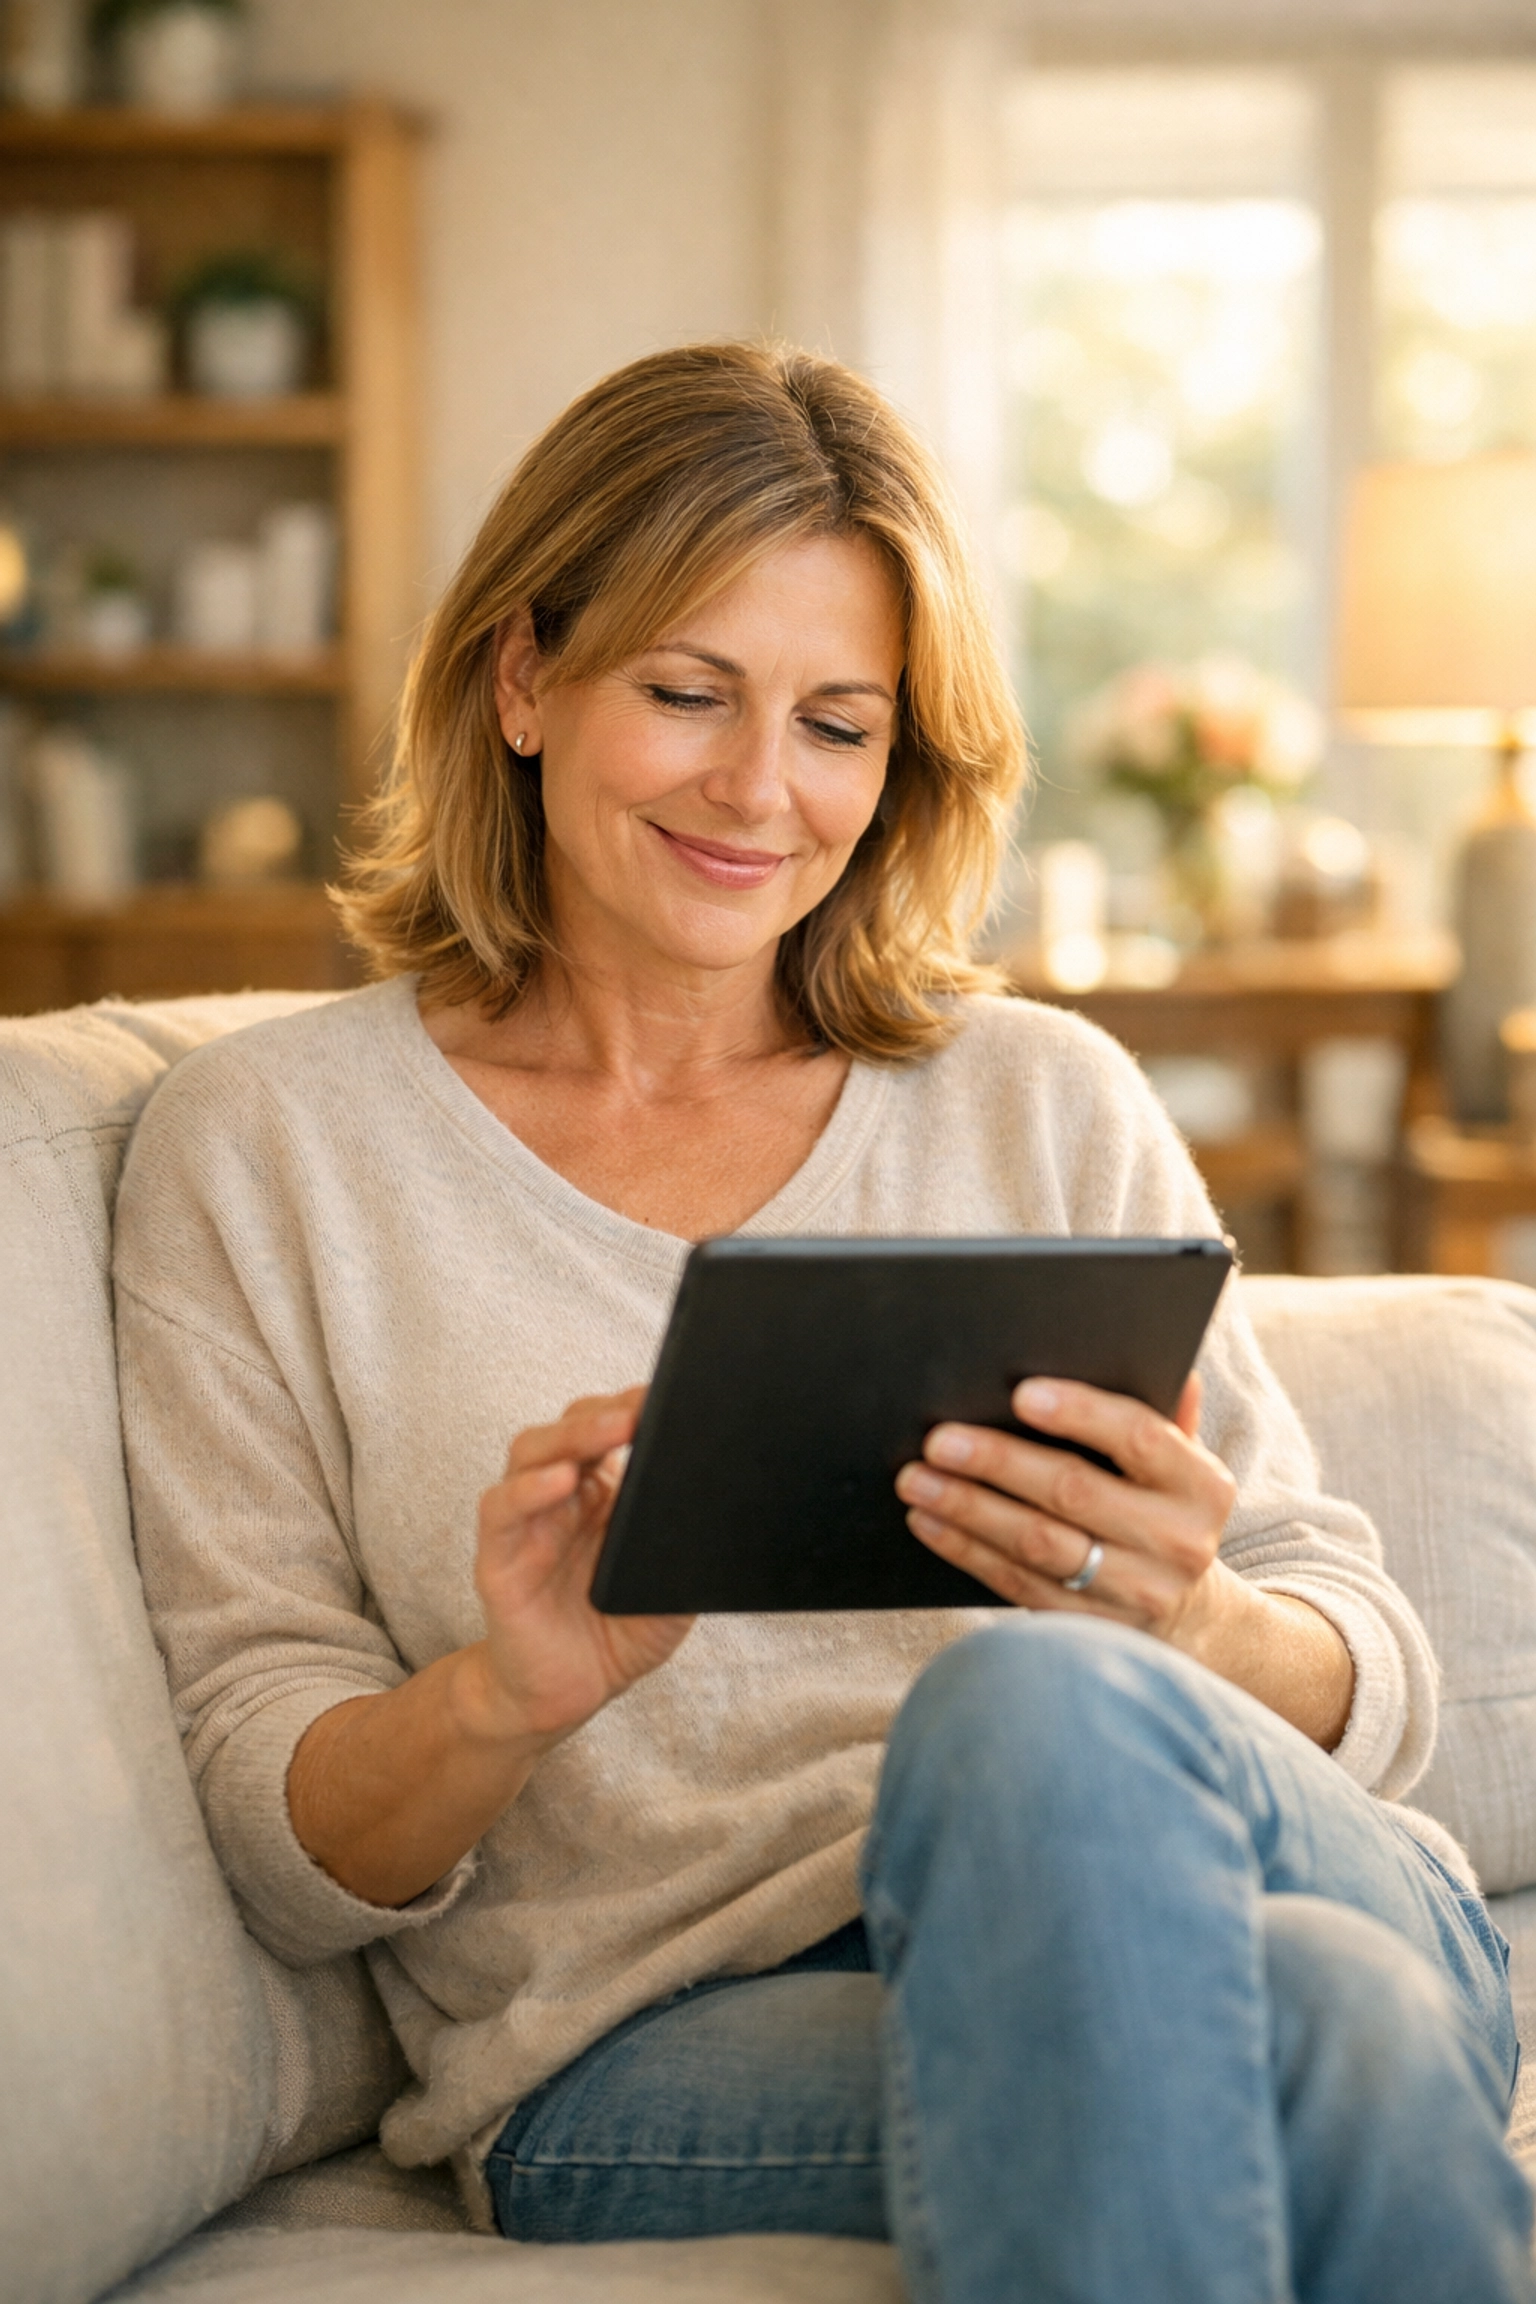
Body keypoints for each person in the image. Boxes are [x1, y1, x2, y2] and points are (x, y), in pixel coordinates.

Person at [115, 341, 1533, 2304]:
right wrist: (505, 1693)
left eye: (838, 725)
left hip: (1259, 1863)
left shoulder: (1040, 1097)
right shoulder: (267, 1149)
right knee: (1328, 2030)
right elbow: (282, 1833)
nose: (759, 791)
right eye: (687, 694)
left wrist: (1183, 1615)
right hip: (675, 2031)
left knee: (1037, 1712)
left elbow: (1366, 1664)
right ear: (523, 678)